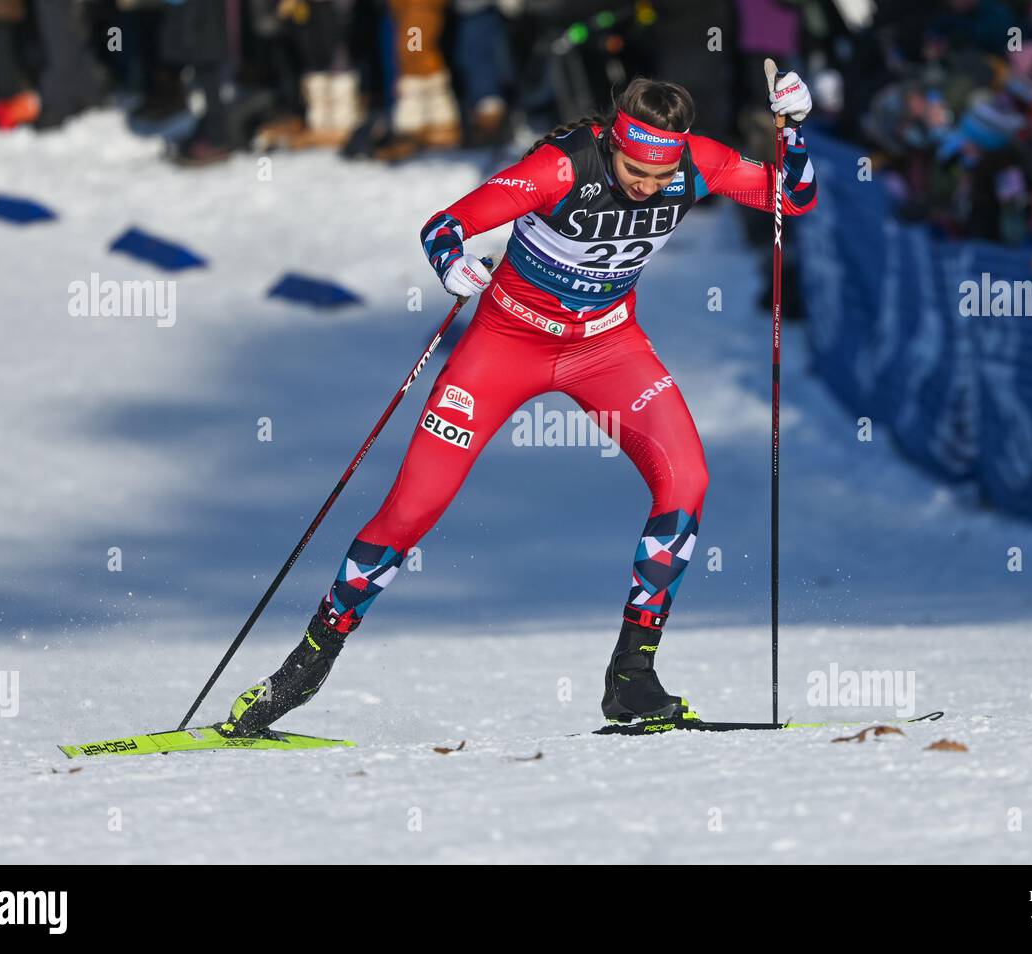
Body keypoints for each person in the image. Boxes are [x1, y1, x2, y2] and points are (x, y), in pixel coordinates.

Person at [219, 69, 817, 735]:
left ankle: (633, 676)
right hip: (504, 347)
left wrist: (795, 132)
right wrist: (450, 263)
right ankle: (304, 665)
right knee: (412, 509)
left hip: (607, 348)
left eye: (662, 172)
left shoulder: (695, 163)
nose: (649, 184)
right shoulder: (557, 171)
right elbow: (446, 224)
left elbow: (790, 201)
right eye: (635, 169)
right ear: (613, 142)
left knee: (687, 481)